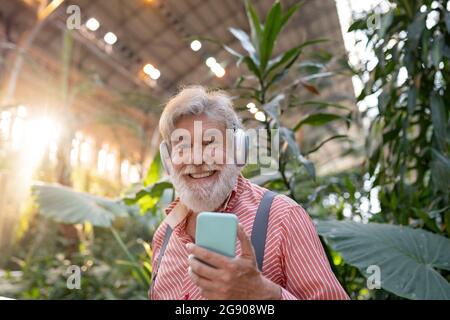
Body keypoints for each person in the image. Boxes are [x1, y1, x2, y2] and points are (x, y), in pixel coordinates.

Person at [149, 85, 349, 300]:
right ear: (168, 160)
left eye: (210, 143)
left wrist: (264, 294)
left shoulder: (283, 217)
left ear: (238, 149)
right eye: (183, 147)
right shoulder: (164, 233)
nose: (197, 159)